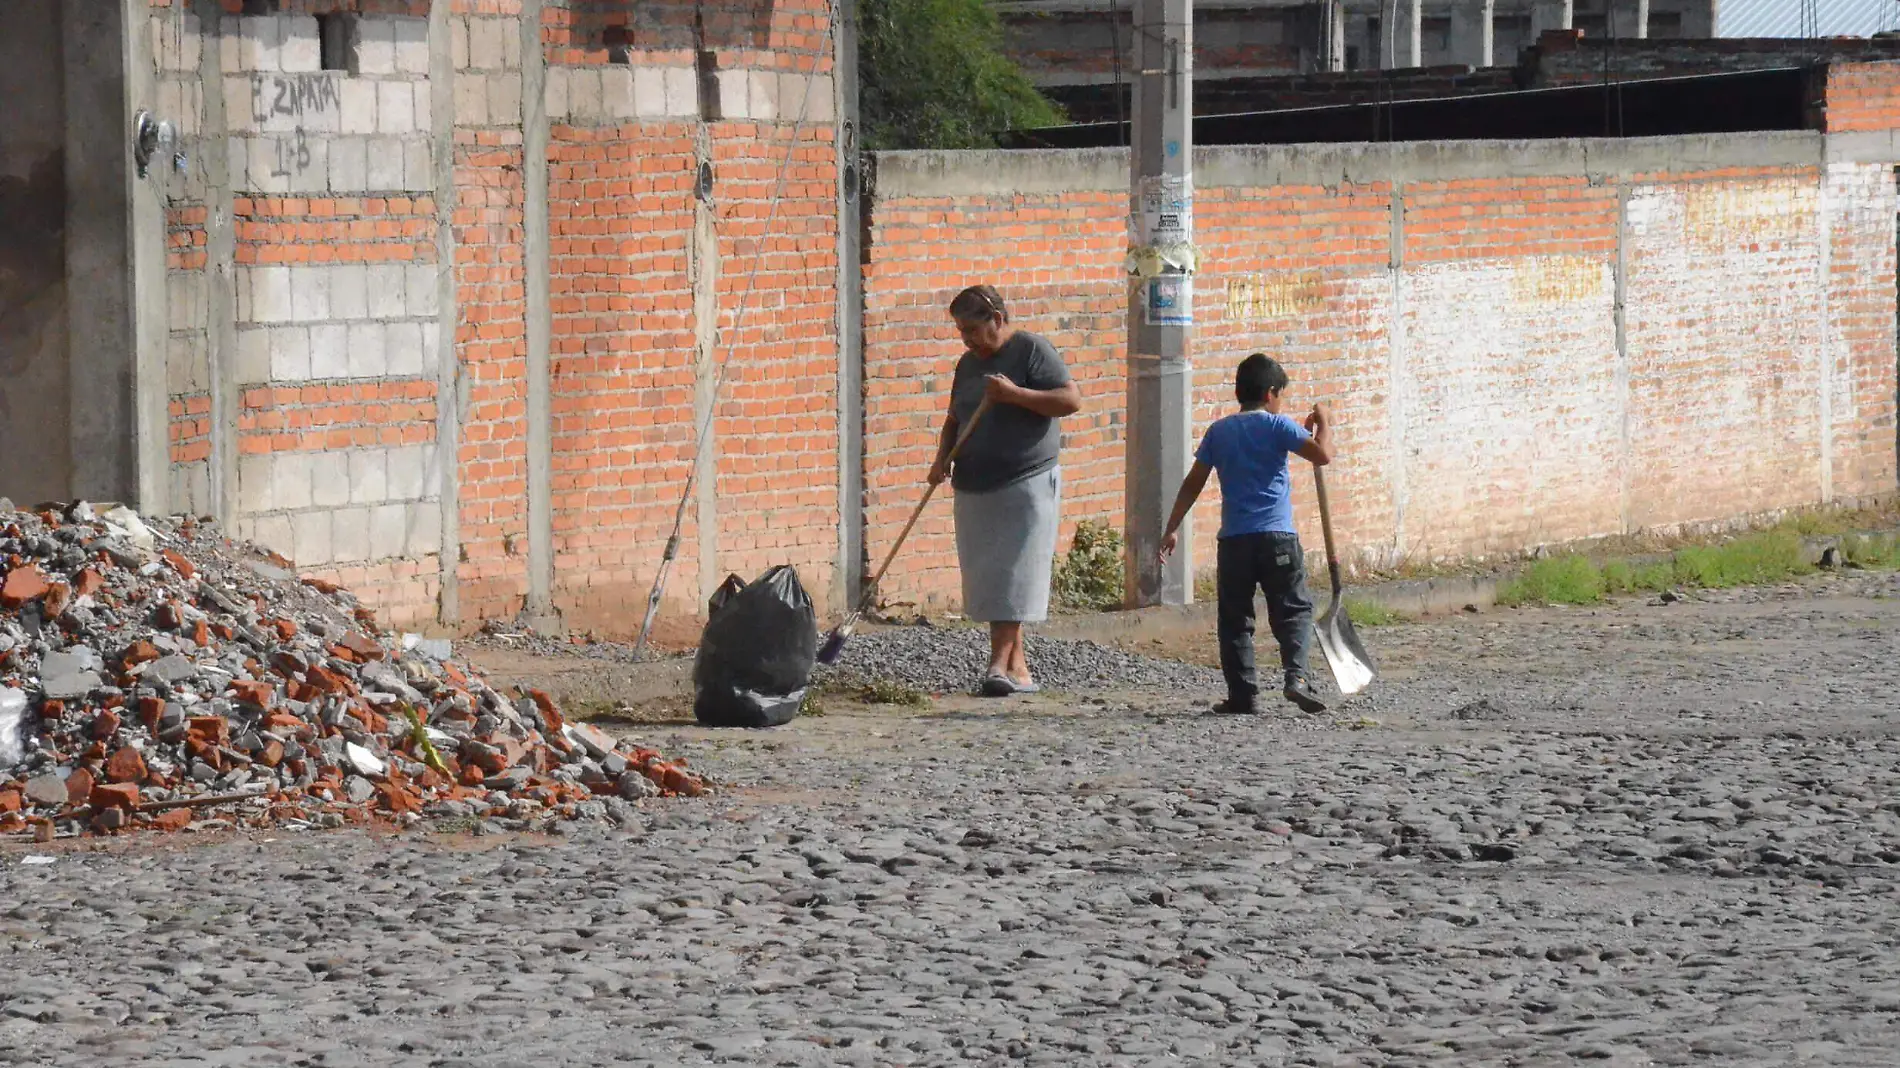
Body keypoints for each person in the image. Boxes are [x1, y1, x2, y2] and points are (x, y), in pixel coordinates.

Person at [1158, 353, 1333, 714]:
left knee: (1235, 619)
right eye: (1281, 395)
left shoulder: (1219, 431)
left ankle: (1243, 694)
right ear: (1270, 394)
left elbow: (1193, 483)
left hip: (1235, 541)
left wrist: (1172, 527)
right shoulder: (1278, 426)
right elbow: (1322, 456)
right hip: (1277, 538)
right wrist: (1324, 423)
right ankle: (1296, 677)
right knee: (1292, 611)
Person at [929, 285, 1082, 697]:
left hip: (1026, 480)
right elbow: (953, 418)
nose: (969, 339)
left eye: (974, 329)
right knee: (992, 577)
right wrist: (941, 457)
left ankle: (996, 666)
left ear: (997, 319)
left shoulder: (1031, 350)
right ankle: (1019, 671)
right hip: (974, 483)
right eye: (962, 332)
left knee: (1016, 575)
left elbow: (1070, 400)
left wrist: (1015, 395)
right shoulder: (966, 365)